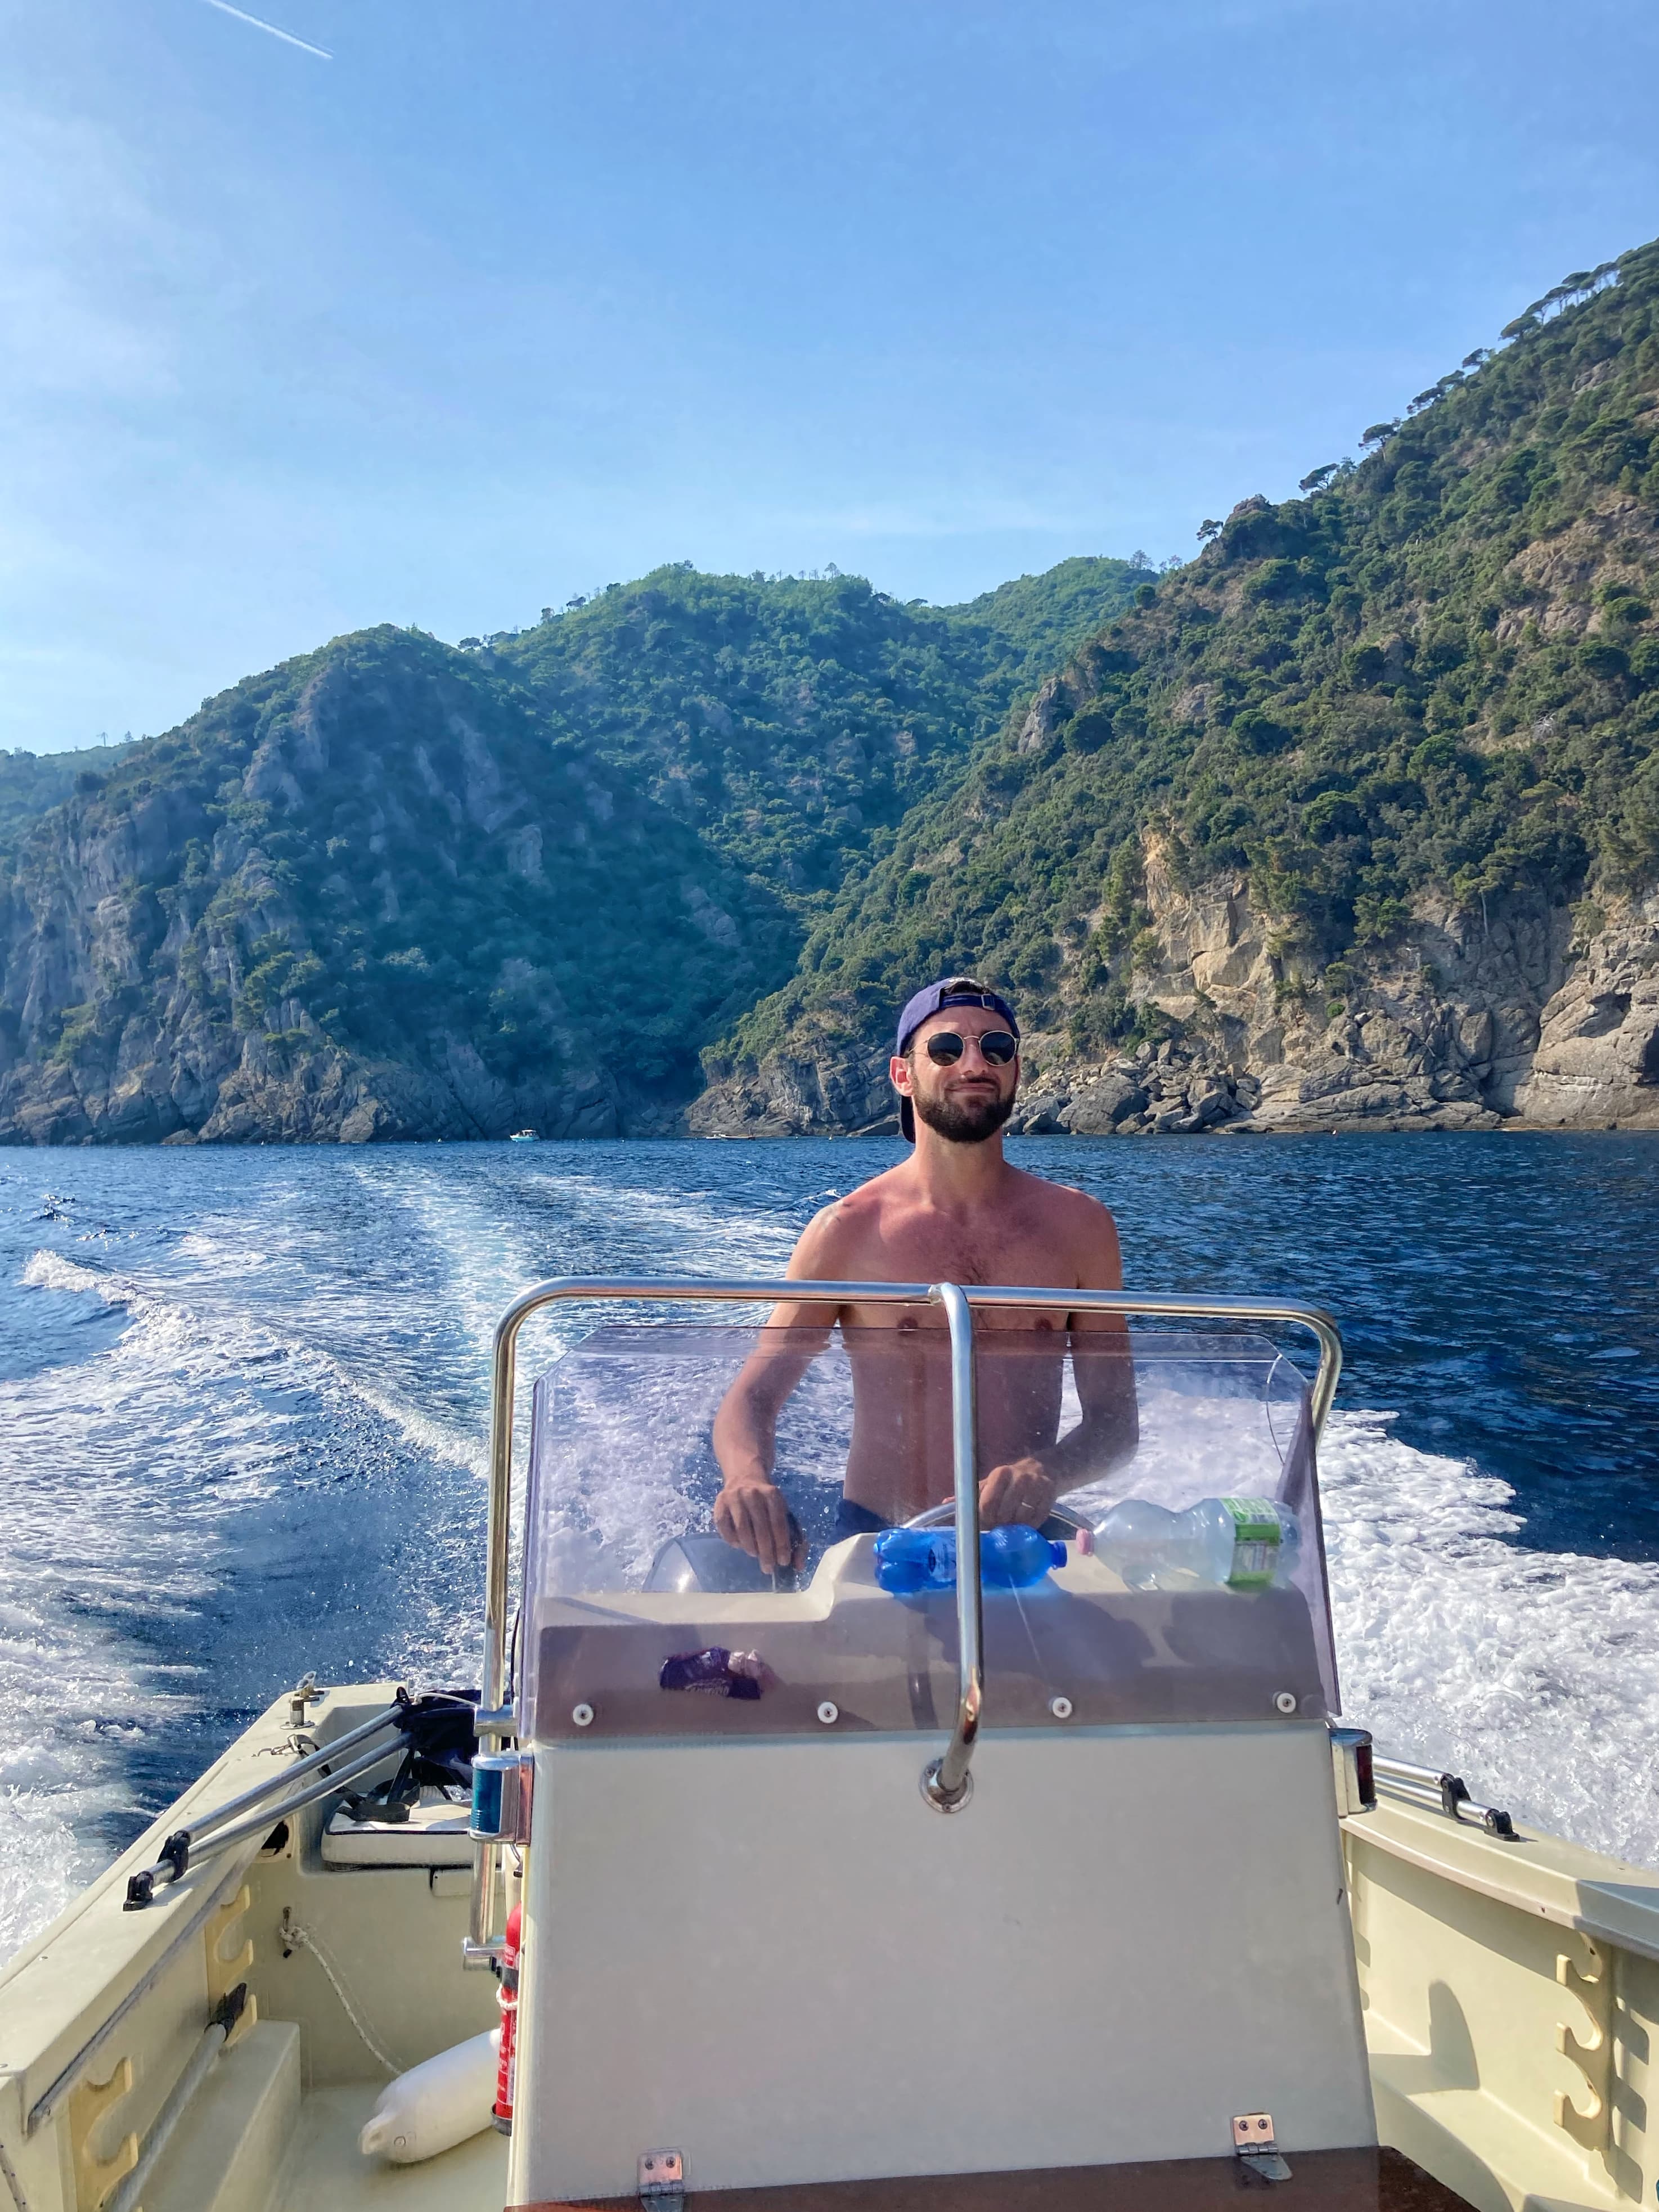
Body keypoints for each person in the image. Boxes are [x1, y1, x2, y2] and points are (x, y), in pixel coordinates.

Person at [712, 976, 1139, 1572]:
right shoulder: (847, 1232)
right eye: (945, 1049)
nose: (974, 1063)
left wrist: (1050, 1469)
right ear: (902, 1074)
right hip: (883, 1545)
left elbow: (1116, 1422)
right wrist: (746, 1476)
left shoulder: (1082, 1228)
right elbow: (753, 1395)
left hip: (1024, 1543)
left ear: (1016, 1071)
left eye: (996, 1048)